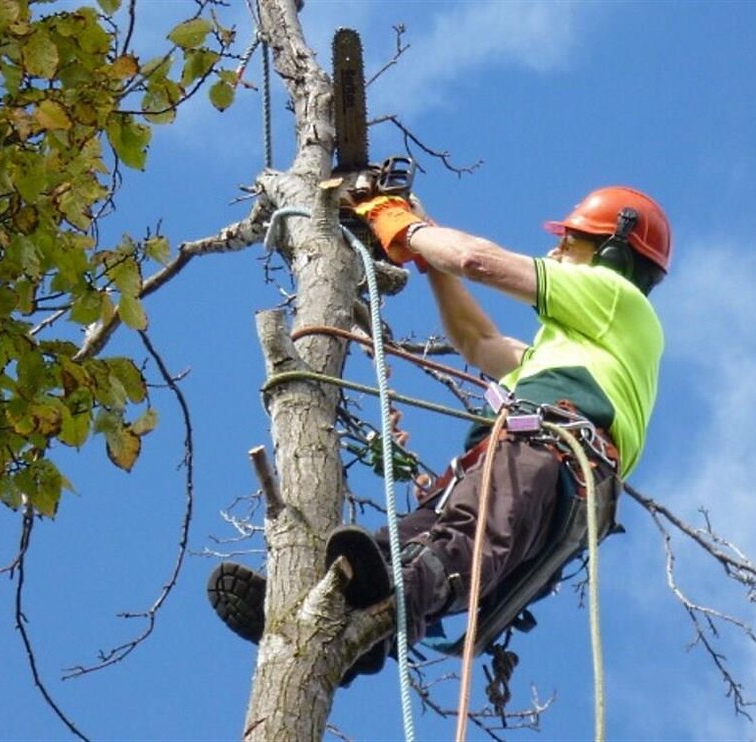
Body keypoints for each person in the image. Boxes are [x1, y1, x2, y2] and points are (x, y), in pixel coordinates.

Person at [208, 185, 671, 683]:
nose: (555, 251)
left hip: (552, 457)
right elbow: (478, 340)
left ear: (614, 248)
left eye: (570, 241)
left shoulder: (617, 299)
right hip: (522, 461)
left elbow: (476, 260)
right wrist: (426, 258)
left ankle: (387, 618)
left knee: (456, 547)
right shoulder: (570, 350)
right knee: (386, 547)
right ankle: (314, 619)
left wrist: (405, 228)